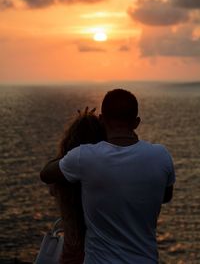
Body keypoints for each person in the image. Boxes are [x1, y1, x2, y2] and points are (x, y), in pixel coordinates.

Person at [40, 89, 175, 264]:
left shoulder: (85, 157)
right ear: (136, 122)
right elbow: (165, 196)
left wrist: (71, 148)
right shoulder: (161, 156)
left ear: (102, 120)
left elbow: (46, 173)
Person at [46, 108, 106, 264]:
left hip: (72, 255)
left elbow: (51, 185)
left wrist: (64, 155)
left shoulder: (60, 174)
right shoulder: (108, 173)